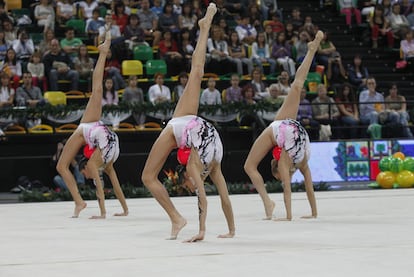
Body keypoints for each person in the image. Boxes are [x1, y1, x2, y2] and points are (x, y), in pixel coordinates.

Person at [141, 3, 235, 242]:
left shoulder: (206, 165)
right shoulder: (200, 167)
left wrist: (220, 230)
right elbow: (206, 197)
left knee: (148, 177)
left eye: (187, 185)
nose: (190, 185)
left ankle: (176, 218)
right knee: (196, 72)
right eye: (188, 185)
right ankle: (204, 28)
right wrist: (203, 230)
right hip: (190, 128)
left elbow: (215, 197)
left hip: (201, 130)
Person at [243, 30, 323, 221]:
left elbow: (291, 188)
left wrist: (291, 216)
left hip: (295, 133)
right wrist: (302, 214)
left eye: (279, 176)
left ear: (277, 169)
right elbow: (298, 187)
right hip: (286, 130)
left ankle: (267, 203)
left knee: (249, 166)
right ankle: (311, 51)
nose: (283, 178)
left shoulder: (290, 162)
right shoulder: (293, 162)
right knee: (297, 85)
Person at [56, 30, 128, 219]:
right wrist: (118, 211)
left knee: (62, 167)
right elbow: (109, 184)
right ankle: (103, 52)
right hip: (100, 132)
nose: (87, 174)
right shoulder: (102, 161)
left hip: (95, 131)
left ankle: (79, 202)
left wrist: (105, 213)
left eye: (84, 173)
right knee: (96, 88)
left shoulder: (95, 162)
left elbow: (102, 183)